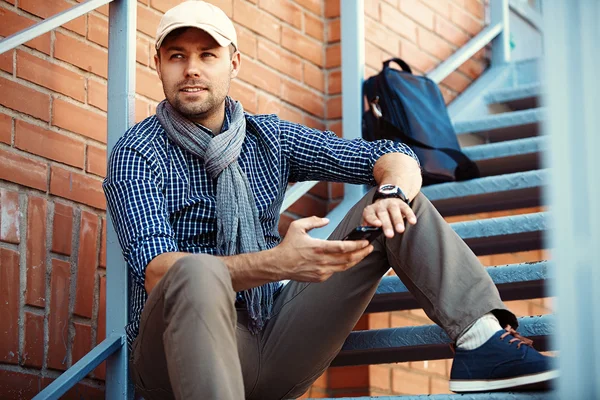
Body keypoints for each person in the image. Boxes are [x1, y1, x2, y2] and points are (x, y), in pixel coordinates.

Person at [103, 1, 557, 399]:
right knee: (195, 272)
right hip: (175, 358)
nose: (192, 69)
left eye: (207, 54)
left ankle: (482, 341)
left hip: (271, 340)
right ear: (157, 62)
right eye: (177, 56)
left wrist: (392, 192)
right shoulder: (138, 153)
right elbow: (160, 273)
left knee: (397, 205)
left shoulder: (268, 138)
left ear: (234, 63)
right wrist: (279, 264)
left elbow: (392, 155)